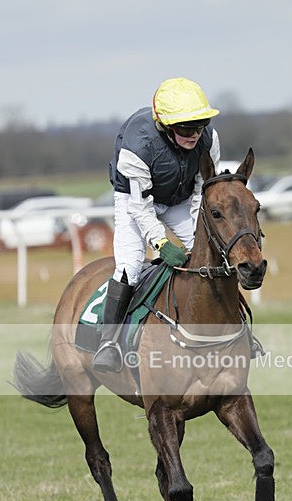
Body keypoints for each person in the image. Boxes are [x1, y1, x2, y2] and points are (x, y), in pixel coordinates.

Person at [93, 77, 221, 372]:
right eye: (185, 128)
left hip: (180, 199)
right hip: (135, 201)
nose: (194, 135)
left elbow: (203, 188)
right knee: (130, 266)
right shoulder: (138, 146)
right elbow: (139, 207)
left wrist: (199, 233)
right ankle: (108, 342)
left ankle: (234, 330)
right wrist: (161, 244)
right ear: (164, 125)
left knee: (213, 256)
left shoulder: (209, 140)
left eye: (199, 125)